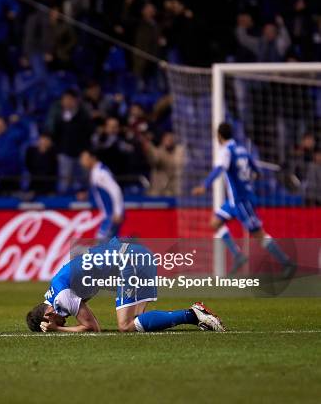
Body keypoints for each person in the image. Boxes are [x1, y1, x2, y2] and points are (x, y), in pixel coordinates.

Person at [26, 238, 225, 333]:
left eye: (59, 322)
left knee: (125, 326)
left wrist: (57, 330)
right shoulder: (58, 289)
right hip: (137, 255)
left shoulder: (61, 297)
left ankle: (192, 314)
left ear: (48, 314)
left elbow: (92, 328)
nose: (65, 322)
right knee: (138, 321)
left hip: (129, 263)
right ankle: (197, 316)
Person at [192, 122, 296, 278]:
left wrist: (205, 185)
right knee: (215, 222)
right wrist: (251, 176)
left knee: (258, 234)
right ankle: (238, 255)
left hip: (241, 200)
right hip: (234, 200)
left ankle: (286, 262)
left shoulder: (226, 151)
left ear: (219, 136)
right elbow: (257, 170)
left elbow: (219, 168)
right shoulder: (242, 150)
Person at [79, 149, 124, 240]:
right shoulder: (96, 171)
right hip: (108, 215)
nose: (82, 161)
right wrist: (87, 195)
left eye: (84, 158)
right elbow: (102, 191)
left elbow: (115, 190)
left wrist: (118, 212)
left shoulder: (100, 173)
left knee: (101, 245)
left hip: (111, 216)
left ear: (92, 158)